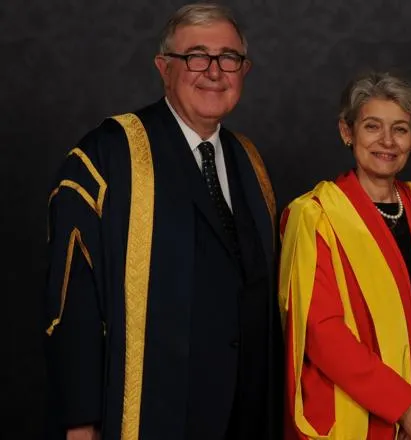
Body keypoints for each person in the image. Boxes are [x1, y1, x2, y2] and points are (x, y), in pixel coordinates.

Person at [43, 3, 281, 439]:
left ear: (243, 70)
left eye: (229, 58)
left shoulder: (248, 160)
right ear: (163, 67)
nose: (213, 71)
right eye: (196, 56)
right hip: (152, 411)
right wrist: (81, 422)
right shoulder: (108, 155)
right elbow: (73, 299)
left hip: (244, 410)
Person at [279, 72, 411, 440]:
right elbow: (321, 333)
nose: (387, 141)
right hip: (356, 421)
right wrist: (405, 409)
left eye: (401, 129)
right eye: (372, 126)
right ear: (347, 132)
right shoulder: (316, 215)